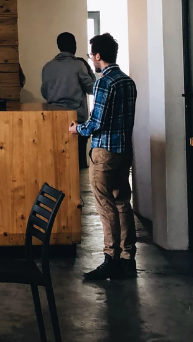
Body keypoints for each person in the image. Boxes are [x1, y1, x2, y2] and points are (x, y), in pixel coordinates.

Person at [69, 33, 138, 280]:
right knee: (122, 203)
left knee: (104, 204)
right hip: (124, 150)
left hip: (104, 153)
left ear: (98, 56)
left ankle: (111, 258)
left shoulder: (104, 83)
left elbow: (97, 122)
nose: (92, 59)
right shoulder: (128, 82)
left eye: (91, 55)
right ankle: (129, 259)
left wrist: (77, 129)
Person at [41, 32, 96, 165]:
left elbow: (44, 92)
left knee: (59, 162)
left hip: (53, 118)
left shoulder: (48, 66)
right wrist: (89, 69)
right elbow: (92, 88)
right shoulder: (78, 65)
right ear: (74, 46)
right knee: (78, 163)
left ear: (59, 46)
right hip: (77, 119)